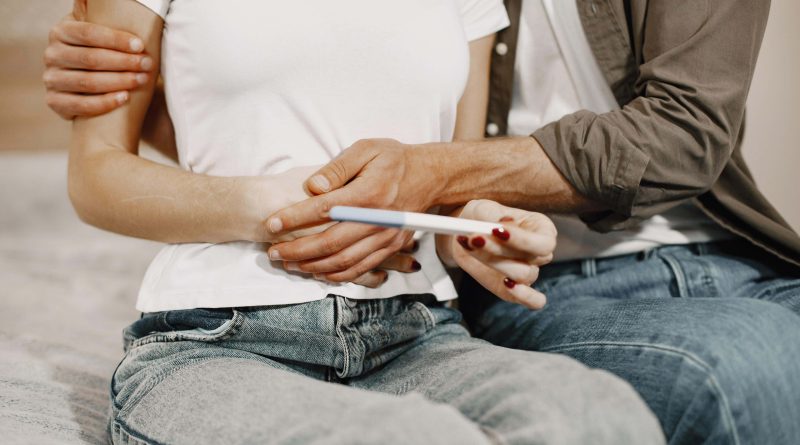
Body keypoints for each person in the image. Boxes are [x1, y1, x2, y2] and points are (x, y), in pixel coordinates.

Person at [43, 0, 800, 444]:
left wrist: (486, 233)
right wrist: (279, 206)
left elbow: (446, 186)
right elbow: (96, 172)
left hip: (413, 332)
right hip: (218, 338)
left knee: (598, 417)